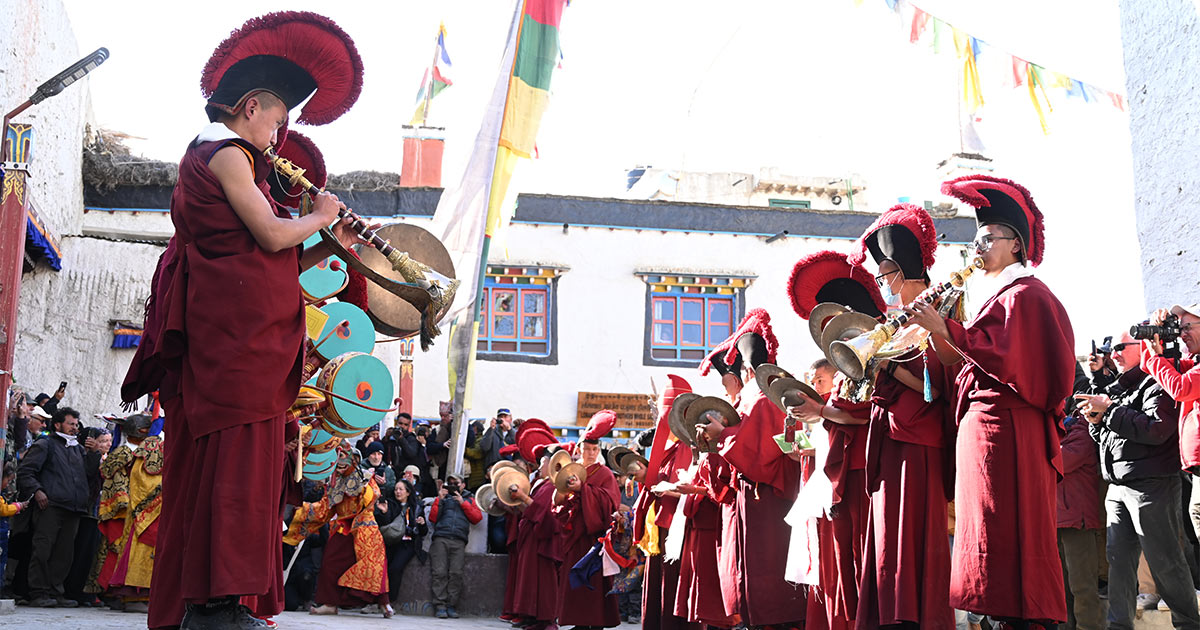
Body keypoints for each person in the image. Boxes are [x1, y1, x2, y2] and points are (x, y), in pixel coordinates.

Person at [117, 12, 366, 629]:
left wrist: (331, 238)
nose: (280, 137)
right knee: (230, 464)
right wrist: (319, 215)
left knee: (241, 468)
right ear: (250, 106)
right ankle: (213, 603)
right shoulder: (223, 153)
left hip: (243, 333)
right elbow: (271, 233)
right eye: (279, 121)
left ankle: (221, 601)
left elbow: (274, 255)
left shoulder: (233, 158)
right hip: (232, 344)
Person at [906, 175, 1075, 628]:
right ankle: (991, 613)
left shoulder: (1029, 296)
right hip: (981, 435)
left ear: (1016, 245)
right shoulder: (989, 299)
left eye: (988, 238)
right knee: (982, 535)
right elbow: (966, 365)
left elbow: (1013, 362)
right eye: (975, 240)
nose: (977, 248)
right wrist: (934, 331)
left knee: (1008, 536)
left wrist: (950, 331)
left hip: (1009, 434)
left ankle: (1017, 617)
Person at [840, 203, 956, 630]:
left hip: (921, 441)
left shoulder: (940, 308)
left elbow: (940, 385)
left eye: (886, 275)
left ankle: (919, 617)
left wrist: (888, 367)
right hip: (889, 437)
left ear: (905, 272)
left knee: (914, 537)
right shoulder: (895, 320)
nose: (884, 284)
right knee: (888, 537)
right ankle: (889, 615)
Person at [785, 250, 887, 630]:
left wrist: (821, 412)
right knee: (842, 562)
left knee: (864, 560)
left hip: (867, 472)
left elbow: (864, 412)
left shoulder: (879, 362)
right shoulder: (844, 376)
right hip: (840, 475)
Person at [1076, 331, 1200, 629]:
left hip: (1152, 485)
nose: (1113, 354)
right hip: (1118, 486)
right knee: (1118, 563)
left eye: (1120, 347)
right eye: (1111, 349)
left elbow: (1156, 431)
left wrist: (1109, 411)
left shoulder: (1158, 381)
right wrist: (1098, 419)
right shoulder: (1119, 386)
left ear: (1141, 347)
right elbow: (1106, 435)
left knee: (1166, 562)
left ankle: (1189, 625)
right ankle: (1119, 626)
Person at [699, 309, 807, 629]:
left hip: (768, 498)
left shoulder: (763, 398)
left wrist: (723, 435)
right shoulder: (751, 399)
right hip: (754, 496)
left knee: (769, 569)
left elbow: (758, 453)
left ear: (746, 370)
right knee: (756, 570)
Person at [290, 443, 391, 618]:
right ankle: (330, 603)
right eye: (338, 459)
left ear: (354, 459)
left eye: (345, 458)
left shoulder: (365, 476)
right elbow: (325, 508)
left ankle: (384, 604)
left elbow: (373, 496)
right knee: (329, 562)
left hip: (365, 528)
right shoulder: (335, 482)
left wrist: (363, 487)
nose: (341, 463)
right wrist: (302, 509)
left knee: (373, 566)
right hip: (342, 527)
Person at [634, 376, 703, 630]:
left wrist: (669, 489)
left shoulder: (691, 446)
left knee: (675, 592)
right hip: (660, 531)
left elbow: (695, 487)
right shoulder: (668, 449)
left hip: (679, 532)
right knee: (658, 590)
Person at [1138, 303, 1200, 541]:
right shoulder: (1193, 364)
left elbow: (1180, 387)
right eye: (1180, 329)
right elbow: (1153, 366)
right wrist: (1154, 334)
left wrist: (1156, 358)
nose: (1182, 335)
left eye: (1187, 328)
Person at [16, 407, 89, 608]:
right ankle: (38, 592)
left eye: (76, 424)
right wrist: (38, 491)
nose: (75, 428)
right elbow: (26, 472)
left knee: (64, 553)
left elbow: (88, 477)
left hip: (73, 508)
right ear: (58, 425)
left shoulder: (79, 449)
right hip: (50, 505)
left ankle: (56, 592)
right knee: (43, 549)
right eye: (70, 424)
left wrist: (93, 455)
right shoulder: (45, 444)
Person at [556, 410, 622, 629]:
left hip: (594, 538)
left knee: (594, 583)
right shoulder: (572, 472)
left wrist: (584, 490)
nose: (591, 453)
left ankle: (596, 622)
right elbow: (560, 502)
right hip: (576, 535)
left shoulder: (605, 474)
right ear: (579, 449)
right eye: (587, 449)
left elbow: (610, 502)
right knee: (574, 581)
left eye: (595, 449)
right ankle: (578, 622)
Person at [93, 414, 162, 613]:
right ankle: (114, 593)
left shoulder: (147, 451)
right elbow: (108, 473)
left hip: (136, 506)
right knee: (116, 551)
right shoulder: (125, 452)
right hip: (125, 508)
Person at [507, 431, 564, 630]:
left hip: (544, 541)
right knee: (529, 579)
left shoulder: (555, 487)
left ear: (553, 464)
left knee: (543, 581)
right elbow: (532, 512)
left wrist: (523, 497)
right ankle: (530, 616)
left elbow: (547, 515)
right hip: (531, 538)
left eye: (543, 462)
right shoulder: (541, 484)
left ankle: (545, 619)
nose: (539, 466)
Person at [428, 472, 482, 619]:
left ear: (463, 485)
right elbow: (433, 517)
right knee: (439, 572)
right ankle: (440, 605)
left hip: (458, 540)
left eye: (456, 483)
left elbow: (477, 518)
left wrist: (462, 502)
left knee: (456, 573)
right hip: (441, 538)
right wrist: (440, 498)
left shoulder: (470, 499)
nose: (453, 486)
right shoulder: (443, 498)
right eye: (450, 483)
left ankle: (451, 605)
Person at [375, 478, 427, 605]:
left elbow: (423, 532)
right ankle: (376, 601)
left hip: (408, 544)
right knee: (380, 570)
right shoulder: (391, 505)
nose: (398, 492)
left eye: (401, 489)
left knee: (395, 568)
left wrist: (422, 524)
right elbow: (385, 525)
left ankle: (389, 602)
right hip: (391, 541)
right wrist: (384, 512)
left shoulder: (417, 507)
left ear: (408, 492)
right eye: (396, 489)